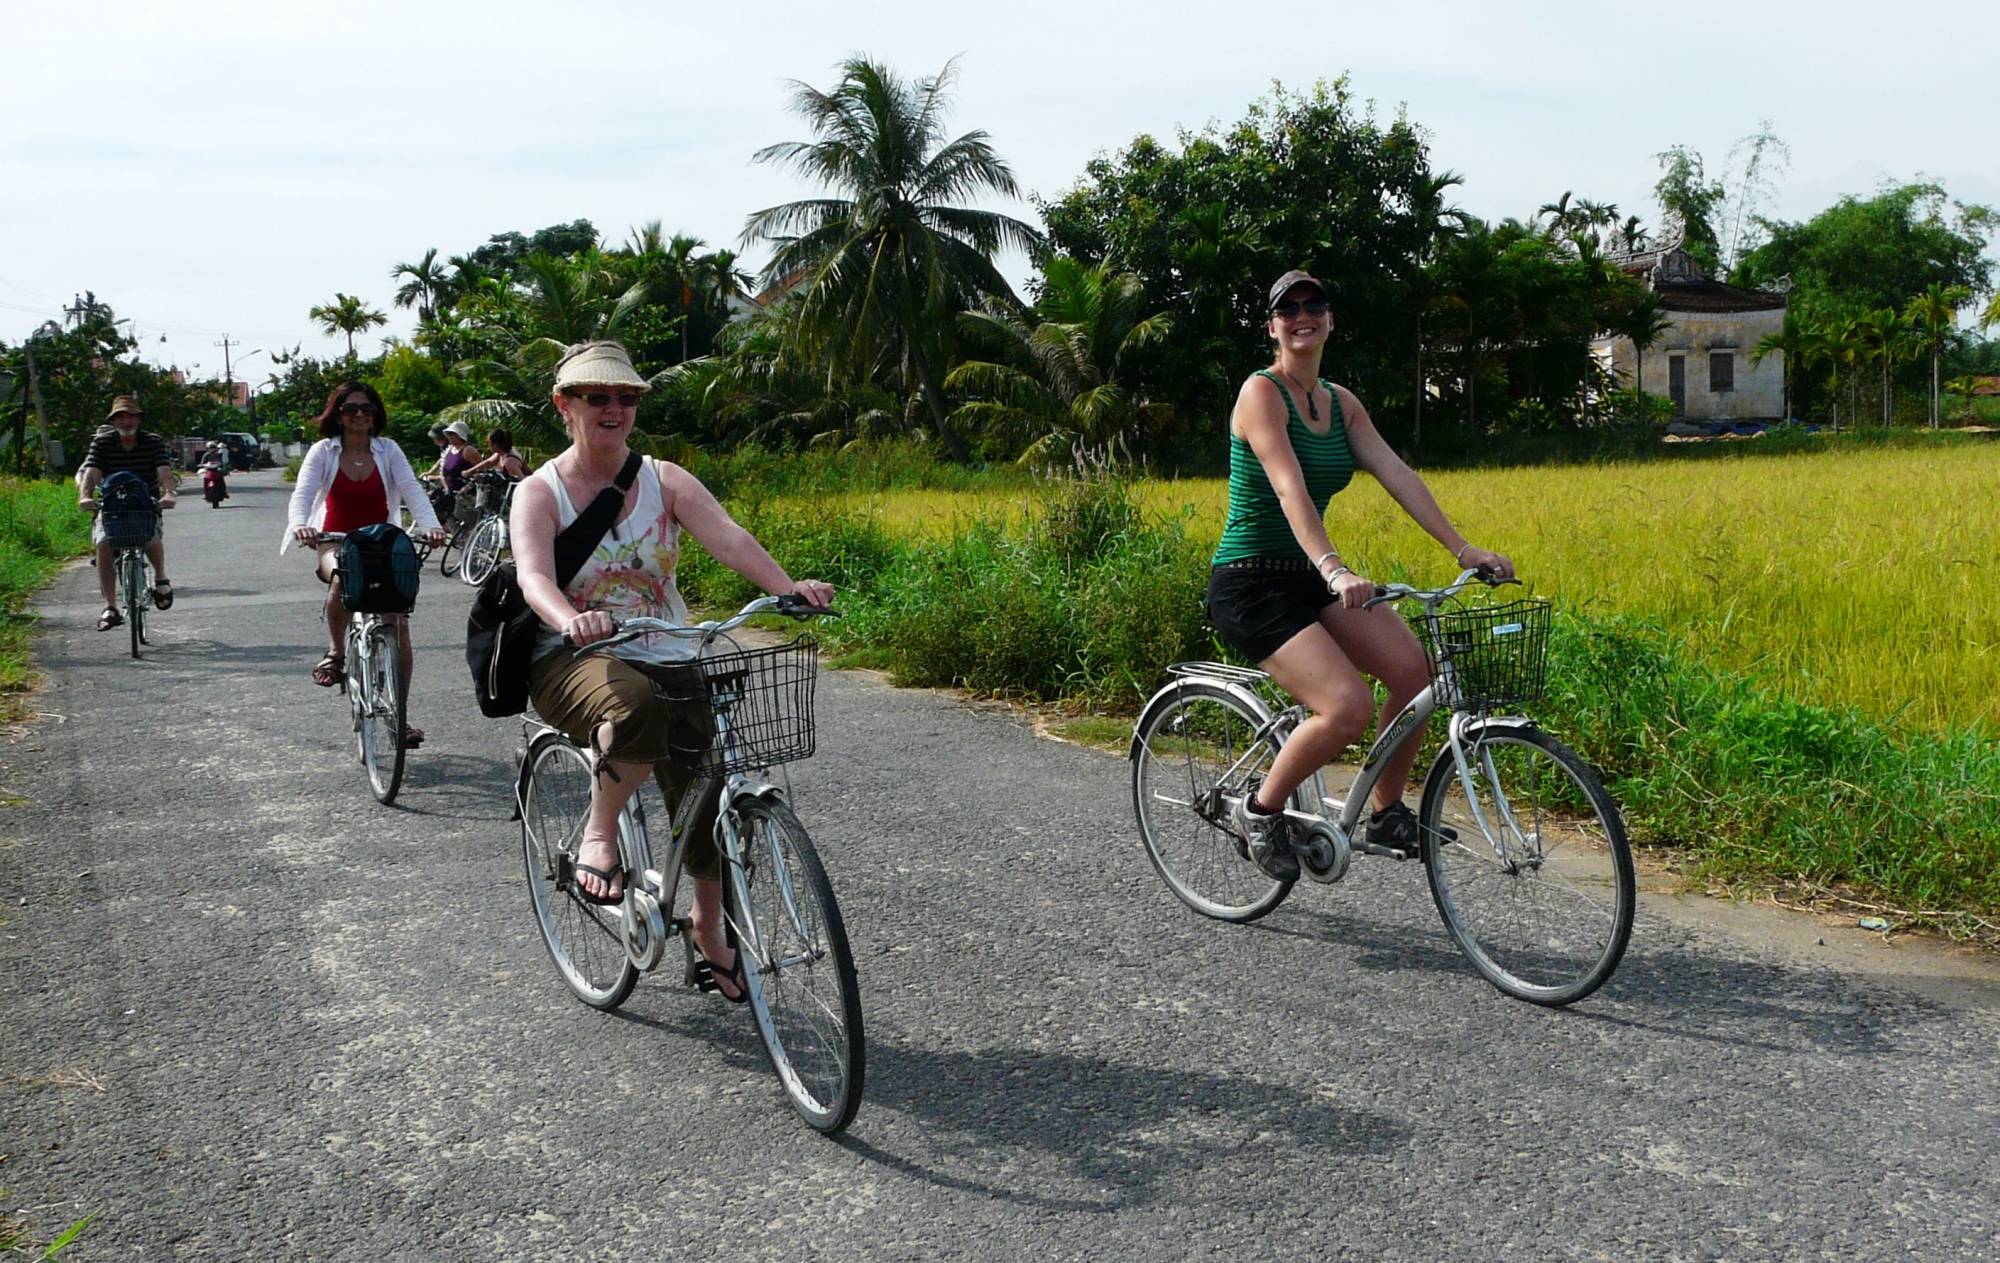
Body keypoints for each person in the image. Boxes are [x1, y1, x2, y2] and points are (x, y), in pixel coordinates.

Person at [513, 341, 834, 1002]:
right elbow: (533, 578)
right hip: (572, 658)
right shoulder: (539, 492)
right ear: (564, 406)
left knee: (710, 794)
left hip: (669, 646)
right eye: (597, 397)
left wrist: (787, 587)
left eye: (626, 398)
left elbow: (728, 536)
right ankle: (600, 834)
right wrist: (568, 617)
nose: (614, 409)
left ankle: (708, 928)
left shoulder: (664, 479)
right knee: (634, 708)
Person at [1208, 270, 1514, 880]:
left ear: (1329, 319)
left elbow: (1398, 474)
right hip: (1250, 583)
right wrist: (1334, 567)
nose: (1303, 315)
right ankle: (1261, 810)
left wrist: (1461, 548)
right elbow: (1288, 486)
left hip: (1309, 577)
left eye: (1314, 304)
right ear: (1273, 327)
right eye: (1288, 308)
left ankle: (1385, 810)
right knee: (1346, 708)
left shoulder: (1341, 403)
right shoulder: (1260, 393)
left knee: (1413, 672)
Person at [283, 381, 447, 743]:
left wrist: (432, 527)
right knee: (342, 576)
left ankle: (399, 717)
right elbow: (303, 493)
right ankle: (336, 652)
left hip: (383, 542)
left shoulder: (387, 451)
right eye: (350, 408)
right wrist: (300, 525)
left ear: (375, 416)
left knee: (398, 624)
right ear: (338, 415)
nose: (359, 415)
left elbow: (412, 491)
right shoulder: (324, 452)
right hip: (334, 540)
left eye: (366, 409)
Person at [77, 397, 176, 631]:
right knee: (103, 543)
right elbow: (91, 472)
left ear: (139, 419)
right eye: (121, 416)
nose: (126, 420)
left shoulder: (152, 442)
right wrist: (85, 496)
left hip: (144, 501)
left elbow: (163, 470)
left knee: (150, 536)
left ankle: (161, 579)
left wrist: (170, 493)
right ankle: (110, 607)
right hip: (112, 503)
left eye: (131, 416)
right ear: (113, 420)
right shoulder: (102, 443)